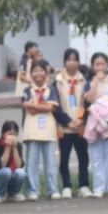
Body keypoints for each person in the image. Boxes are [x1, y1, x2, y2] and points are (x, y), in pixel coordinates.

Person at [21, 61, 70, 201]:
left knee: (50, 162)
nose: (38, 74)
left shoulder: (51, 89)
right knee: (32, 163)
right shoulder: (27, 90)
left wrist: (35, 106)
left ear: (45, 73)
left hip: (48, 129)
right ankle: (32, 190)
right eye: (35, 71)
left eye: (41, 71)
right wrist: (42, 106)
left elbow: (51, 108)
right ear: (31, 74)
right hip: (31, 130)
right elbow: (26, 106)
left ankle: (52, 189)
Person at [54, 48, 91, 199]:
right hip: (65, 126)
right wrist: (68, 122)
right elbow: (55, 105)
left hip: (80, 126)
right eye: (69, 59)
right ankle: (67, 186)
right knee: (64, 158)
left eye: (75, 59)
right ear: (64, 61)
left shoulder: (84, 81)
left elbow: (87, 102)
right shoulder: (57, 81)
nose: (72, 62)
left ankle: (84, 185)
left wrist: (81, 119)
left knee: (83, 157)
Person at [84, 54, 108, 198]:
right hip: (94, 123)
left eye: (102, 64)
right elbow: (89, 99)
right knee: (97, 156)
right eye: (97, 64)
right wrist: (95, 83)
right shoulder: (89, 82)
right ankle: (99, 187)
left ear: (107, 65)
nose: (100, 67)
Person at [0, 121, 27, 203]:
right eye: (9, 134)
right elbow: (0, 165)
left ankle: (13, 194)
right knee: (6, 171)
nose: (12, 137)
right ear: (3, 134)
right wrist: (8, 148)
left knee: (21, 172)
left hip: (11, 172)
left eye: (14, 134)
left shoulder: (18, 145)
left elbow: (19, 165)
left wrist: (14, 148)